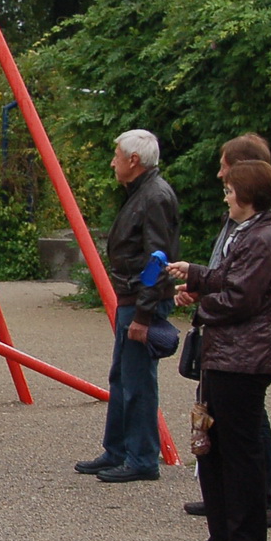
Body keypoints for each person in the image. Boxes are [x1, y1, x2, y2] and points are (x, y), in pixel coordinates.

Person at [164, 160, 271, 541]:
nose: (225, 193)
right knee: (213, 445)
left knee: (239, 449)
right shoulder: (246, 231)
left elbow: (242, 298)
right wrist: (198, 276)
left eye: (231, 189)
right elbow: (229, 278)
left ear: (248, 195)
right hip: (227, 353)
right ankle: (222, 533)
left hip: (246, 357)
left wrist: (201, 304)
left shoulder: (265, 237)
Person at [74, 129, 178, 483]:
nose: (113, 161)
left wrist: (145, 315)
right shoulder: (143, 193)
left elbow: (158, 259)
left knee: (137, 382)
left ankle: (141, 457)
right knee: (121, 377)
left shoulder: (154, 197)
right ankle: (118, 450)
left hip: (140, 300)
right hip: (131, 297)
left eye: (117, 155)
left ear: (134, 161)